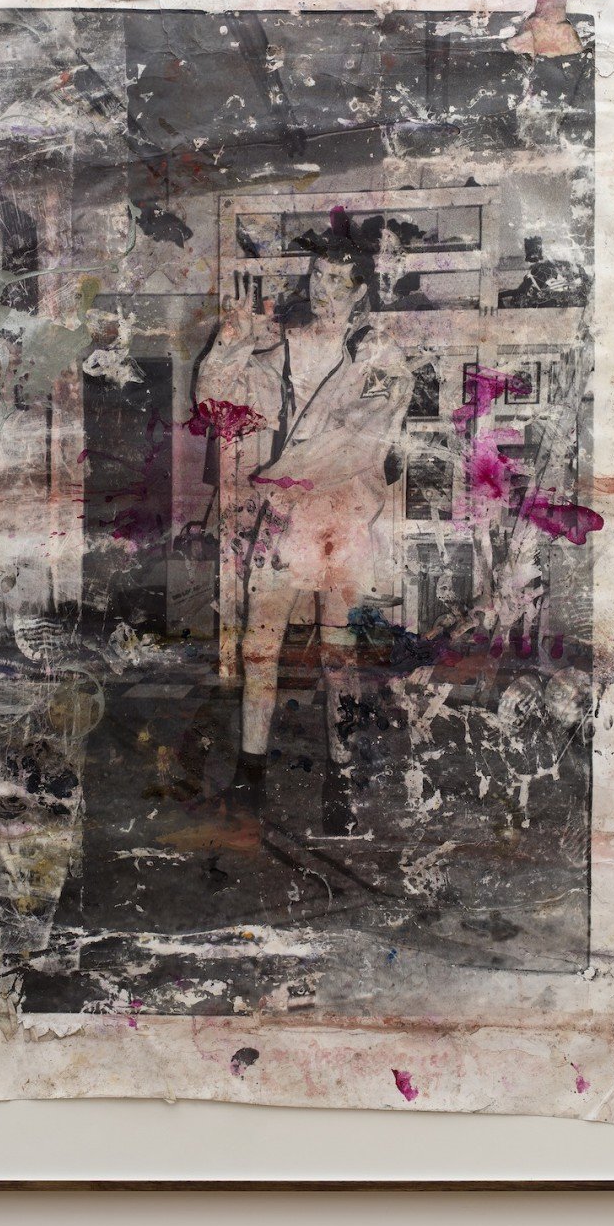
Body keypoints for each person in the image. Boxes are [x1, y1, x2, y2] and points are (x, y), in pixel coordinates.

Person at [195, 213, 413, 835]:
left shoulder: (380, 358)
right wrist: (232, 342)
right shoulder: (280, 350)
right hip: (282, 517)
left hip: (339, 520)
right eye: (318, 276)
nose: (324, 290)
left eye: (338, 280)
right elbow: (214, 404)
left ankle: (340, 779)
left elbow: (361, 443)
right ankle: (250, 774)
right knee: (258, 646)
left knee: (338, 657)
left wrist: (280, 475)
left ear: (361, 289)